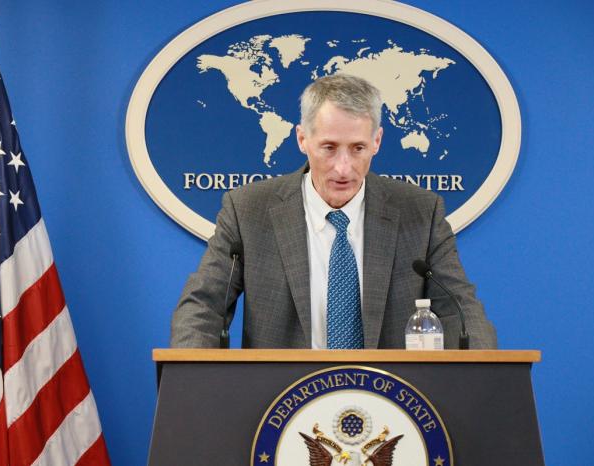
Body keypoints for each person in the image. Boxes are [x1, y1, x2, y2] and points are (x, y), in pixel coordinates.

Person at [170, 74, 497, 349]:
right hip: (281, 398)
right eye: (329, 148)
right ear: (302, 139)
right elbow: (203, 307)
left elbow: (460, 311)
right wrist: (192, 381)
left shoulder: (421, 212)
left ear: (377, 141)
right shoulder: (248, 210)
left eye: (357, 148)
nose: (343, 167)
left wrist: (482, 383)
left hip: (391, 396)